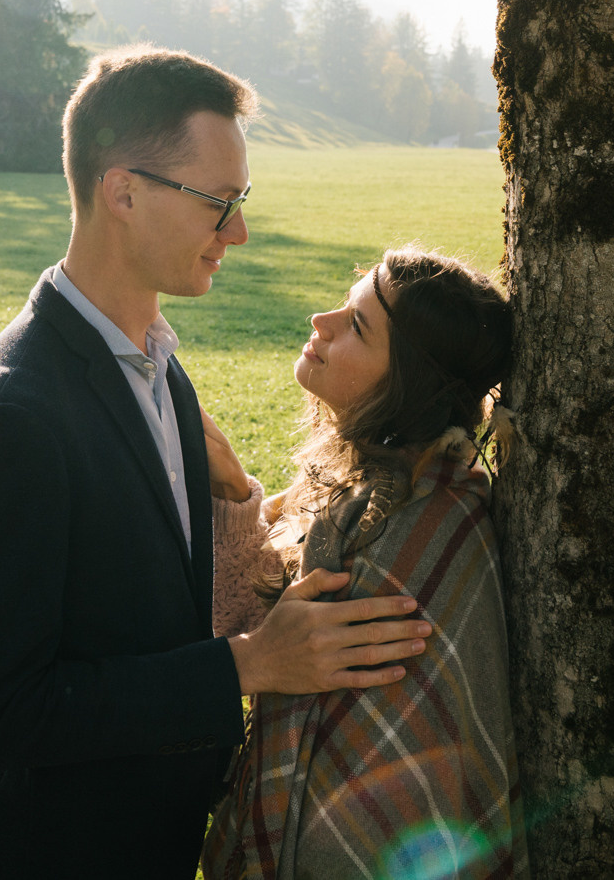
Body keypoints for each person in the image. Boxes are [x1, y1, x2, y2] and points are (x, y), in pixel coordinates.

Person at [0, 48, 436, 880]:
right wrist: (248, 663)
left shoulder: (157, 361)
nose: (236, 230)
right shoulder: (11, 421)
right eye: (217, 203)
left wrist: (237, 498)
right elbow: (2, 715)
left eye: (241, 202)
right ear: (121, 192)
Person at [200, 247, 527, 880]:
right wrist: (240, 497)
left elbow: (238, 619)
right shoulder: (354, 483)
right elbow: (263, 630)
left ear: (406, 378)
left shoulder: (411, 525)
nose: (320, 320)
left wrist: (238, 501)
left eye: (356, 326)